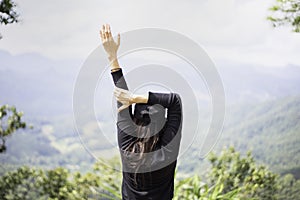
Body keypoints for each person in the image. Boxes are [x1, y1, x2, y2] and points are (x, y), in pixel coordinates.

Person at [100, 24, 182, 200]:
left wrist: (112, 56)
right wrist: (136, 97)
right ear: (163, 125)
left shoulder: (128, 146)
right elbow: (175, 101)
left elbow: (121, 97)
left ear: (135, 120)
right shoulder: (166, 152)